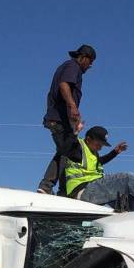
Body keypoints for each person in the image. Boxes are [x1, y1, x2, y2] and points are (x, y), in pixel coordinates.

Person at [37, 44, 96, 194]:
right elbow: (64, 85)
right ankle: (47, 185)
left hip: (62, 119)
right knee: (67, 151)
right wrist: (72, 106)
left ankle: (62, 190)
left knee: (69, 152)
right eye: (90, 62)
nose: (90, 66)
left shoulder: (70, 67)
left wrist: (74, 119)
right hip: (58, 119)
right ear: (83, 58)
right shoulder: (73, 66)